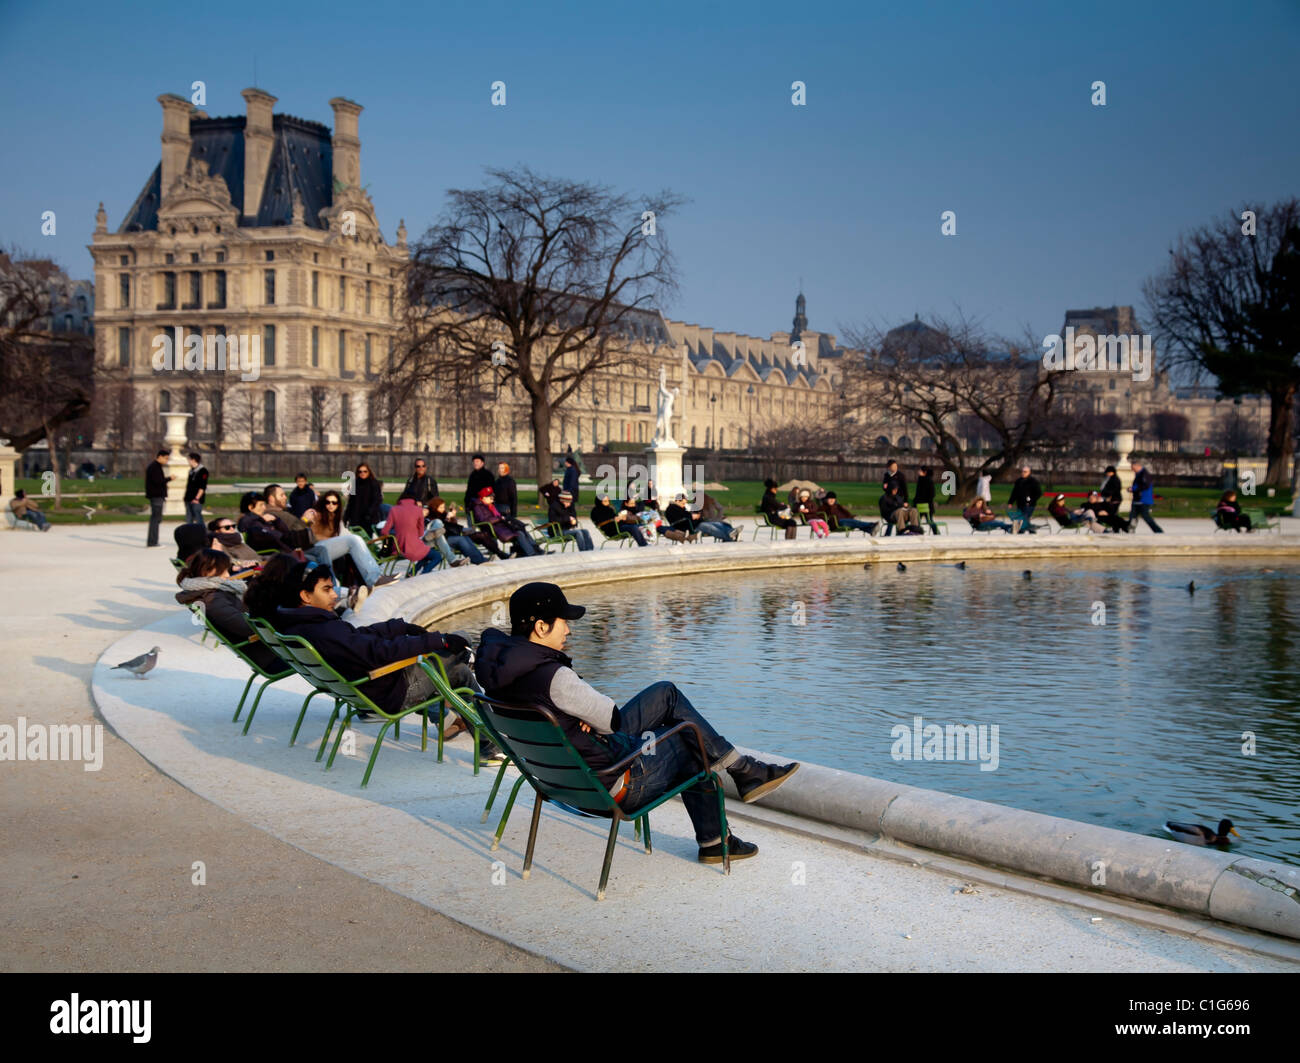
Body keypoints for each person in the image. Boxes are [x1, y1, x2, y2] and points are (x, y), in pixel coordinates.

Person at [474, 582, 800, 864]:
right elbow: (612, 719)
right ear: (542, 628)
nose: (570, 631)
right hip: (612, 786)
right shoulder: (555, 677)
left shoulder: (498, 678)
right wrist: (586, 717)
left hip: (562, 783)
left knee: (666, 698)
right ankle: (733, 801)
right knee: (687, 733)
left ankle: (743, 774)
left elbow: (583, 719)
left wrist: (577, 719)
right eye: (563, 623)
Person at [278, 562, 493, 748]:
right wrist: (438, 640)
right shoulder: (325, 630)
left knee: (452, 663)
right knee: (460, 661)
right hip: (390, 692)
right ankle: (488, 744)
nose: (335, 595)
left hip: (370, 688)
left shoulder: (302, 625)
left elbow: (358, 636)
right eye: (326, 589)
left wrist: (400, 627)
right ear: (306, 595)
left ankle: (447, 716)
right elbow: (380, 652)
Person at [174, 549, 284, 673]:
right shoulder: (212, 600)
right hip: (270, 655)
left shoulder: (210, 592)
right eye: (223, 571)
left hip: (267, 649)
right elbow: (247, 628)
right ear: (207, 571)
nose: (227, 575)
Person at [305, 488, 402, 601]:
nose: (330, 505)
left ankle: (371, 581)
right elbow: (304, 527)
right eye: (328, 502)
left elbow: (343, 534)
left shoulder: (336, 519)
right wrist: (306, 518)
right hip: (316, 548)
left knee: (356, 541)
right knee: (354, 540)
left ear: (338, 505)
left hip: (327, 550)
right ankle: (375, 579)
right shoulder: (317, 514)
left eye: (334, 503)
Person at [384, 487, 468, 573]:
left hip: (398, 547)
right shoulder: (417, 510)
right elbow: (420, 533)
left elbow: (384, 531)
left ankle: (412, 572)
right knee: (436, 554)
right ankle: (426, 572)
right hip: (413, 546)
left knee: (434, 540)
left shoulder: (394, 509)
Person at [472, 486, 540, 557]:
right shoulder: (477, 507)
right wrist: (499, 518)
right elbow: (483, 520)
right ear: (483, 498)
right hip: (493, 528)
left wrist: (502, 516)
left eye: (492, 496)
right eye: (490, 497)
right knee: (519, 534)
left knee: (522, 529)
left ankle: (536, 549)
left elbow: (496, 515)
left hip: (500, 526)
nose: (492, 498)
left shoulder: (490, 505)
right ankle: (531, 553)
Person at [425, 497, 490, 564]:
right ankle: (478, 560)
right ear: (435, 507)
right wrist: (447, 519)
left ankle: (480, 558)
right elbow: (440, 528)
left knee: (465, 538)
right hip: (441, 539)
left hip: (449, 536)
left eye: (443, 507)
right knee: (461, 539)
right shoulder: (431, 515)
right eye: (441, 507)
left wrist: (452, 517)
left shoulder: (443, 514)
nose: (443, 509)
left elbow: (452, 525)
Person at [665, 493, 739, 542]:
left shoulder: (679, 508)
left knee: (717, 524)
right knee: (710, 528)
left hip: (695, 523)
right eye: (683, 503)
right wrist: (692, 516)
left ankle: (731, 531)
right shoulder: (672, 508)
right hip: (689, 527)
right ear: (677, 501)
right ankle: (728, 538)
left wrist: (693, 516)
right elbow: (679, 519)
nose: (684, 505)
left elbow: (684, 515)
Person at [262, 484, 314, 550]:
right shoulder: (273, 516)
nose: (285, 497)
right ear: (271, 498)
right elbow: (292, 535)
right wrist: (304, 520)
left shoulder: (283, 512)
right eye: (281, 495)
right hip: (300, 549)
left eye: (284, 495)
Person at [343, 462, 385, 537]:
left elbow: (377, 500)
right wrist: (346, 516)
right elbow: (351, 502)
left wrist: (369, 513)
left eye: (365, 471)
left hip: (368, 519)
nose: (362, 473)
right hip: (356, 518)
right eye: (360, 471)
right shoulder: (354, 484)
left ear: (369, 472)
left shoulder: (374, 483)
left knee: (367, 540)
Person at [1128, 460, 1163, 533]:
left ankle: (1158, 531)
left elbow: (1145, 486)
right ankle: (1130, 529)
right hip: (1138, 499)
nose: (1132, 469)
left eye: (1132, 467)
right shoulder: (1139, 474)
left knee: (1146, 517)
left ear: (1137, 466)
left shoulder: (1144, 474)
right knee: (1133, 516)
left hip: (1143, 500)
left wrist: (1134, 489)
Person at [145, 449, 170, 547]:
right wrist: (169, 479)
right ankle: (153, 542)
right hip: (156, 496)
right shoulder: (154, 467)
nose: (167, 461)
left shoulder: (156, 466)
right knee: (156, 519)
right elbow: (158, 481)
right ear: (160, 457)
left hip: (157, 496)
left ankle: (153, 541)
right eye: (166, 458)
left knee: (156, 519)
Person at [1007, 465, 1042, 534]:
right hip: (1020, 503)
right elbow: (1014, 492)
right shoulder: (1019, 481)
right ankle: (1030, 530)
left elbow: (1039, 493)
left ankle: (1023, 530)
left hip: (1029, 504)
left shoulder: (1033, 481)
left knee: (1024, 517)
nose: (1023, 473)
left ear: (1029, 472)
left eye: (1025, 472)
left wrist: (1031, 500)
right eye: (1022, 471)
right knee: (1023, 517)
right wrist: (1010, 502)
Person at [183, 452, 208, 526]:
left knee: (198, 517)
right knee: (189, 518)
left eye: (189, 459)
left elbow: (202, 487)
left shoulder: (203, 471)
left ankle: (202, 534)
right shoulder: (191, 471)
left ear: (193, 460)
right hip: (188, 498)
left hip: (196, 499)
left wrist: (197, 498)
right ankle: (189, 534)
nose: (188, 461)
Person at [914, 467, 940, 533]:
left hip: (927, 505)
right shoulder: (920, 480)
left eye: (920, 471)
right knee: (917, 520)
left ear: (924, 472)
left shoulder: (929, 481)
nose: (918, 472)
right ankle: (918, 531)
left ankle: (936, 532)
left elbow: (932, 494)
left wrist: (923, 501)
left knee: (929, 520)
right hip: (919, 505)